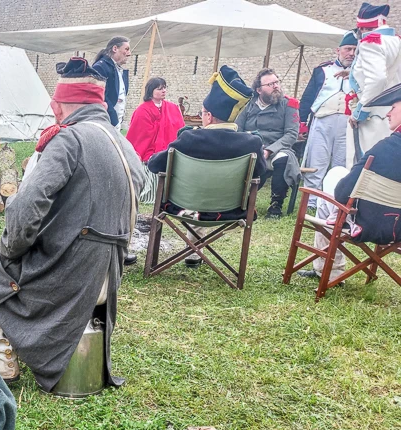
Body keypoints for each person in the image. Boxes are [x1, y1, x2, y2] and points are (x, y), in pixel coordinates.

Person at [0, 57, 143, 389]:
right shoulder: (123, 143)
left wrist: (10, 250)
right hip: (108, 277)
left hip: (70, 276)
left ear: (59, 107)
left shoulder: (70, 139)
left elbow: (26, 206)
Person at [147, 66, 267, 267]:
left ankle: (178, 257)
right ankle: (196, 254)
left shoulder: (188, 138)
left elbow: (154, 165)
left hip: (183, 206)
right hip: (232, 210)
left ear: (209, 116)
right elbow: (260, 179)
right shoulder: (252, 143)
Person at [297, 33, 357, 280]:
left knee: (342, 166)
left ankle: (338, 203)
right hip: (323, 119)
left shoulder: (362, 73)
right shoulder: (323, 70)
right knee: (318, 162)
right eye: (347, 49)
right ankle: (313, 201)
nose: (351, 53)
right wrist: (302, 120)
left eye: (354, 49)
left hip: (347, 121)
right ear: (338, 50)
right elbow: (310, 95)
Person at [333, 82, 401, 246]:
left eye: (392, 108)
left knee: (335, 174)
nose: (387, 114)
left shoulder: (384, 149)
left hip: (367, 224)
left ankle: (328, 268)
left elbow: (342, 193)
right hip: (398, 229)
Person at [235, 68, 300, 218]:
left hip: (277, 149)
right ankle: (240, 202)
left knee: (283, 158)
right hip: (252, 148)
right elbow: (237, 130)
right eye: (270, 84)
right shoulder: (248, 106)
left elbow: (291, 134)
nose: (276, 86)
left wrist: (269, 150)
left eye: (277, 82)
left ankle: (276, 206)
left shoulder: (289, 105)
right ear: (259, 89)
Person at [349, 2, 398, 166]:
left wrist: (361, 110)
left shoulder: (370, 43)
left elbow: (377, 79)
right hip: (394, 113)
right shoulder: (396, 42)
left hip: (373, 116)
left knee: (365, 165)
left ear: (362, 27)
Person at [126, 77, 185, 201]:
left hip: (168, 149)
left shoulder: (172, 108)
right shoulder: (142, 110)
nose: (163, 91)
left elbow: (178, 128)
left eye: (164, 88)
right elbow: (139, 134)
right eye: (159, 89)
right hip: (149, 152)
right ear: (151, 91)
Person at [92, 36, 131, 127]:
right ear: (115, 48)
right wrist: (114, 119)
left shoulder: (117, 69)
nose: (129, 53)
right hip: (106, 120)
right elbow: (101, 96)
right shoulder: (100, 67)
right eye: (126, 49)